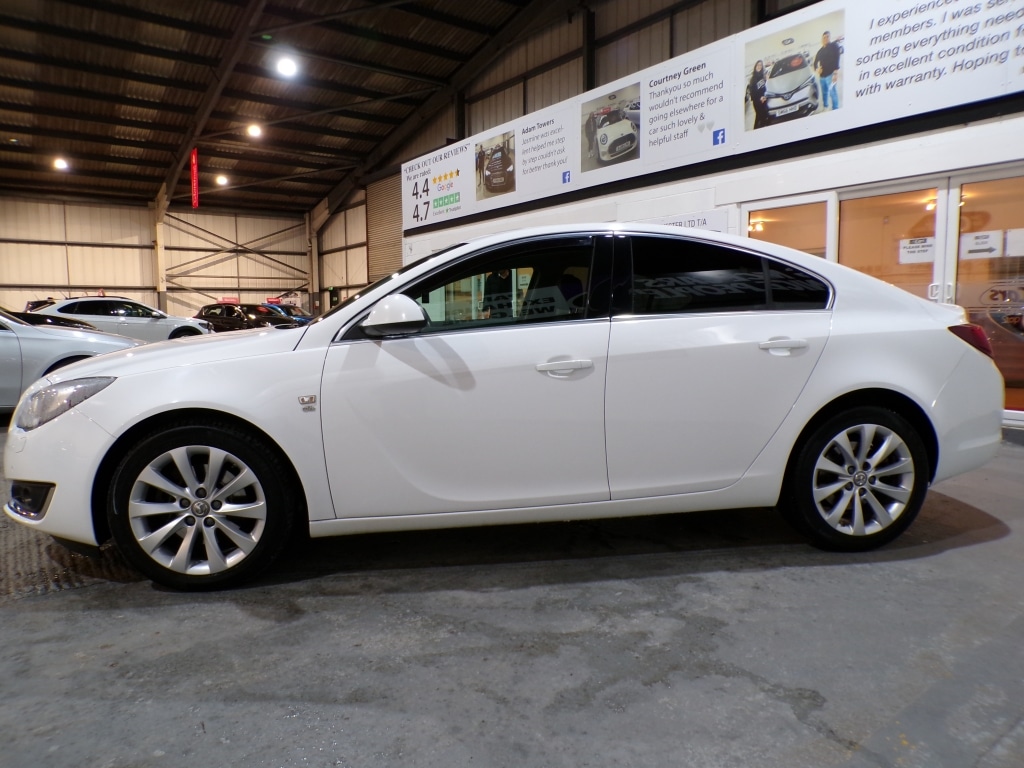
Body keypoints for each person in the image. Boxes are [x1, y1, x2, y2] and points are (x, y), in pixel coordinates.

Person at [813, 31, 841, 110]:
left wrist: (835, 73)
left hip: (831, 75)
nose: (826, 38)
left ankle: (835, 108)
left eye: (827, 37)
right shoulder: (820, 51)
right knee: (824, 93)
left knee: (833, 92)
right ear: (822, 39)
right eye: (824, 37)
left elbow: (837, 59)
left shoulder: (834, 46)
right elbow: (815, 63)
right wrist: (817, 69)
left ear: (829, 38)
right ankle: (825, 106)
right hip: (822, 77)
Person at [748, 60, 769, 129]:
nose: (759, 66)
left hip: (764, 99)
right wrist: (760, 98)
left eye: (760, 65)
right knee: (760, 118)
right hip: (757, 101)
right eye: (758, 65)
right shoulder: (753, 78)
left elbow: (766, 88)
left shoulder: (763, 76)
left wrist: (764, 96)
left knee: (763, 118)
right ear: (755, 67)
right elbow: (752, 93)